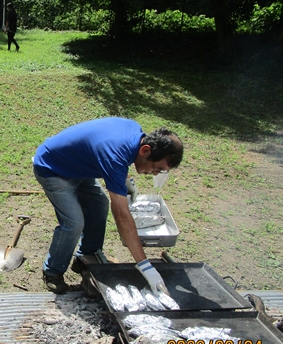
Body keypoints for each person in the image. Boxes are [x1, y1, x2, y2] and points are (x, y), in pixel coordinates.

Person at [33, 118, 183, 294]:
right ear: (145, 150)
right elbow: (121, 215)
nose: (154, 173)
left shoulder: (135, 134)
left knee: (99, 204)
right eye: (156, 168)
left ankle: (86, 257)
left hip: (79, 167)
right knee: (74, 223)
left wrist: (124, 179)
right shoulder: (115, 154)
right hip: (53, 168)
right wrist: (145, 266)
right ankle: (52, 271)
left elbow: (111, 153)